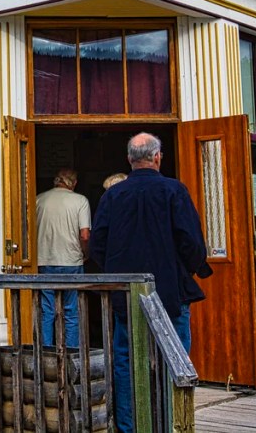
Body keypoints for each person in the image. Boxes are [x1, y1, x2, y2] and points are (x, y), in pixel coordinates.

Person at [90, 134, 212, 433]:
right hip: (171, 291)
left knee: (126, 359)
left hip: (126, 294)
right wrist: (185, 270)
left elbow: (97, 246)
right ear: (157, 157)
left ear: (129, 159)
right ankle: (170, 422)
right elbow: (192, 243)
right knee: (175, 357)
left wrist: (117, 275)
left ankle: (129, 426)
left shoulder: (113, 196)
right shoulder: (174, 190)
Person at [36, 168, 90, 348]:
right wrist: (86, 253)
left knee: (47, 310)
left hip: (45, 259)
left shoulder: (39, 199)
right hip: (71, 260)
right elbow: (84, 235)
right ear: (74, 183)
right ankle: (71, 353)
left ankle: (45, 352)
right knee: (71, 311)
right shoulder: (80, 200)